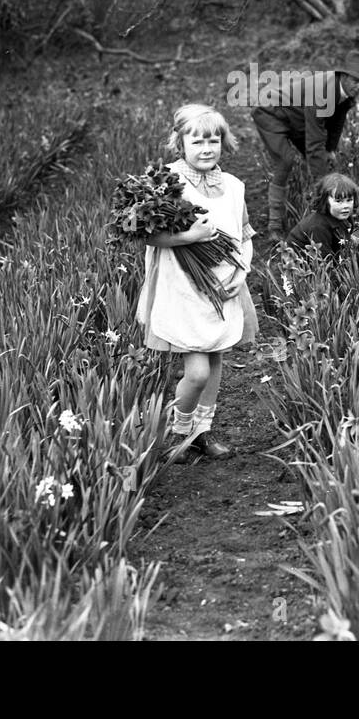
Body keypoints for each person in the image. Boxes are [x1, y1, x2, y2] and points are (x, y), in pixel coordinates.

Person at [137, 104, 258, 462]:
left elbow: (245, 235)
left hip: (224, 286)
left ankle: (201, 432)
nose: (207, 148)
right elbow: (148, 237)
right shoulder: (167, 183)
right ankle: (176, 431)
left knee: (215, 358)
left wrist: (243, 272)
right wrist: (191, 236)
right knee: (197, 370)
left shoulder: (234, 187)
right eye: (197, 141)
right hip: (184, 288)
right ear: (180, 143)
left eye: (213, 140)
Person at [251, 52, 359, 240]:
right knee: (286, 160)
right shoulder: (322, 92)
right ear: (344, 75)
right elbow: (314, 144)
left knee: (324, 162)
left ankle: (328, 221)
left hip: (296, 117)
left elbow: (335, 124)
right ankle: (275, 224)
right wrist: (326, 190)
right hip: (271, 112)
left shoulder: (343, 93)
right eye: (356, 81)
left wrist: (330, 150)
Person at [286, 172, 359, 263]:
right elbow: (324, 261)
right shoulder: (318, 227)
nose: (345, 206)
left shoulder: (344, 216)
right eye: (338, 201)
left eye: (349, 200)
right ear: (325, 201)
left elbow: (348, 239)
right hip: (299, 262)